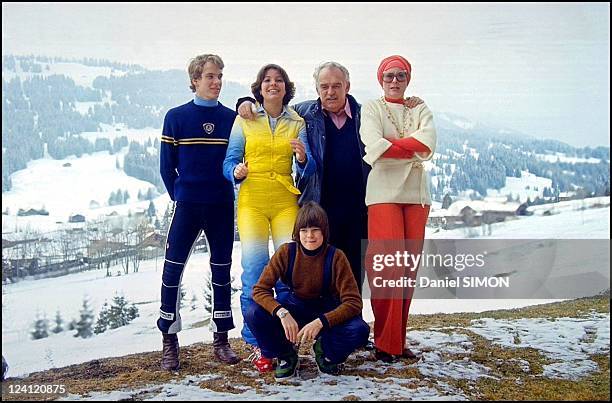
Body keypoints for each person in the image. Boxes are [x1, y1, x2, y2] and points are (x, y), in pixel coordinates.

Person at [237, 62, 423, 295]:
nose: (330, 92)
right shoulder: (303, 113)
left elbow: (395, 118)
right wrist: (244, 102)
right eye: (324, 86)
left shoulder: (366, 115)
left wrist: (410, 103)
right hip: (319, 210)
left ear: (348, 86)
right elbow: (274, 106)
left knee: (354, 276)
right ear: (316, 89)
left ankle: (351, 327)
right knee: (318, 277)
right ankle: (320, 328)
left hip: (359, 210)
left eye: (337, 86)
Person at [223, 64, 315, 372]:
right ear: (259, 87)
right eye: (267, 80)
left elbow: (309, 165)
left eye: (278, 80)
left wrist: (302, 158)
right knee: (255, 268)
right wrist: (235, 172)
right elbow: (230, 159)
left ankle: (288, 338)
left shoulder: (297, 121)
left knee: (289, 267)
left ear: (286, 87)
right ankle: (257, 341)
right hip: (251, 201)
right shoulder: (244, 117)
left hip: (285, 200)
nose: (272, 84)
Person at [158, 54, 240, 371]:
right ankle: (169, 341)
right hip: (188, 205)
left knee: (221, 272)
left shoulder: (233, 118)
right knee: (172, 272)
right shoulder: (176, 117)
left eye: (219, 76)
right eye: (209, 76)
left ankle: (221, 340)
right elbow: (167, 167)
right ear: (194, 80)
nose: (216, 81)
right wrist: (179, 193)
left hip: (221, 204)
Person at [359, 55, 437, 363]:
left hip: (417, 194)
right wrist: (411, 145)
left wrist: (393, 146)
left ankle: (398, 341)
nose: (395, 80)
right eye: (389, 75)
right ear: (381, 79)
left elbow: (429, 142)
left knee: (407, 271)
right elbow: (372, 145)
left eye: (400, 75)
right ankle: (384, 343)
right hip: (382, 194)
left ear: (408, 78)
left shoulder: (420, 106)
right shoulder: (372, 108)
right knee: (387, 268)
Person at [246, 201, 369, 379]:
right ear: (297, 232)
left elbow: (353, 302)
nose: (309, 236)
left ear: (324, 231)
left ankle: (325, 351)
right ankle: (286, 355)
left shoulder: (336, 257)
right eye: (304, 230)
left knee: (359, 330)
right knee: (253, 313)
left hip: (325, 311)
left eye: (315, 230)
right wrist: (281, 312)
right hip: (294, 307)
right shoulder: (286, 252)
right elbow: (259, 290)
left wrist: (321, 322)